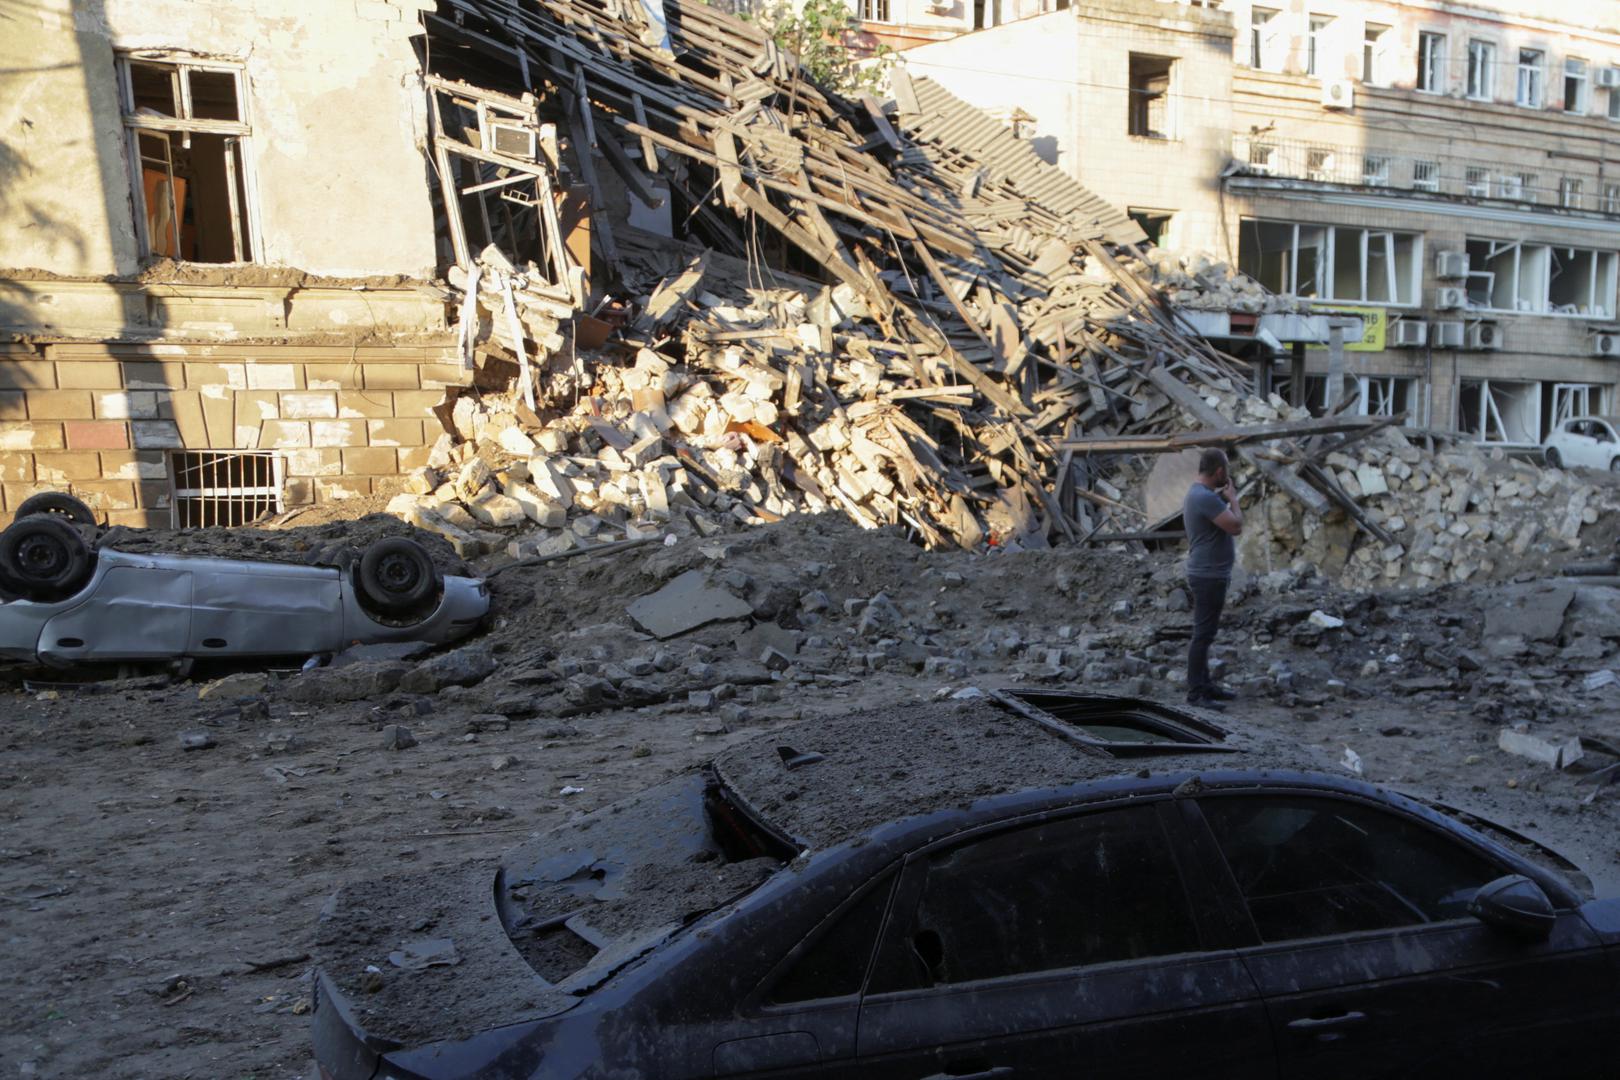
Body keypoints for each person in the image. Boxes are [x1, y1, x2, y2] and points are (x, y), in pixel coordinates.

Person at [1182, 448, 1243, 710]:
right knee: (1202, 634)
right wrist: (1233, 499)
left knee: (1205, 633)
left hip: (1209, 573)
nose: (1228, 476)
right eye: (1225, 471)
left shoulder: (1201, 495)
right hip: (1208, 575)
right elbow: (1236, 526)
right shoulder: (1205, 498)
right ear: (1219, 472)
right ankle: (1196, 693)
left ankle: (1205, 685)